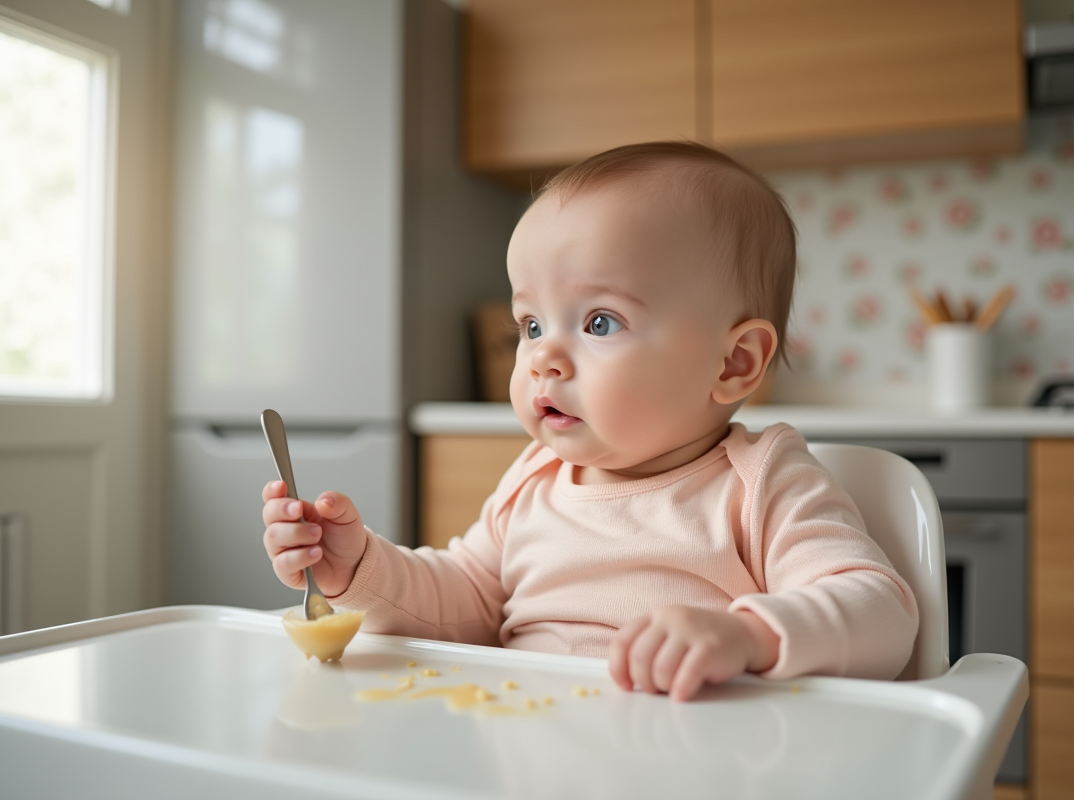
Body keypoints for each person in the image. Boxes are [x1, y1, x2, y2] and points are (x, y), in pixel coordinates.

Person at [262, 142, 918, 701]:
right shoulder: (533, 483)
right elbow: (461, 602)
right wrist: (358, 571)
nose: (543, 355)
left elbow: (881, 611)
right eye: (531, 324)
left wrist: (750, 636)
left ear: (733, 363)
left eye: (599, 321)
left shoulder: (762, 482)